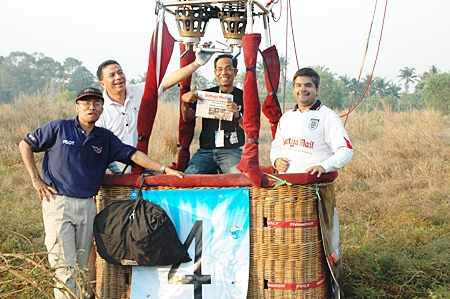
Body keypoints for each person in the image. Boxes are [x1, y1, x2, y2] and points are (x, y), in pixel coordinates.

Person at [18, 87, 183, 299]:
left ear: (102, 109)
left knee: (81, 268)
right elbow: (25, 144)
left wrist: (164, 169)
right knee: (63, 269)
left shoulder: (104, 138)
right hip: (58, 202)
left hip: (87, 205)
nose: (91, 107)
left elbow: (133, 154)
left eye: (96, 103)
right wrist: (35, 179)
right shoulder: (60, 128)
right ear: (77, 107)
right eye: (85, 103)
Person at [96, 47, 213, 173]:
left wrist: (197, 63)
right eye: (112, 75)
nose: (118, 77)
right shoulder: (99, 109)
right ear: (102, 84)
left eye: (120, 72)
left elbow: (167, 81)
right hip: (114, 164)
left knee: (166, 181)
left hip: (140, 161)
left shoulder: (139, 92)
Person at [270, 67, 353, 175]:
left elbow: (346, 149)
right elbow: (276, 145)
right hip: (286, 186)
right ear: (294, 89)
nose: (302, 89)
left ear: (317, 89)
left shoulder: (328, 117)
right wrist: (276, 160)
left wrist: (324, 166)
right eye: (298, 85)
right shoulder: (286, 118)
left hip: (314, 185)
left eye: (308, 85)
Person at [181, 54, 244, 174]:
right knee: (190, 176)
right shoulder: (205, 95)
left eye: (228, 68)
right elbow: (188, 118)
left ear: (235, 72)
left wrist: (237, 114)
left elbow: (249, 128)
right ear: (215, 73)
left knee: (239, 178)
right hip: (205, 151)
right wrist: (184, 103)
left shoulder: (244, 96)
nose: (224, 73)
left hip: (231, 151)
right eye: (220, 69)